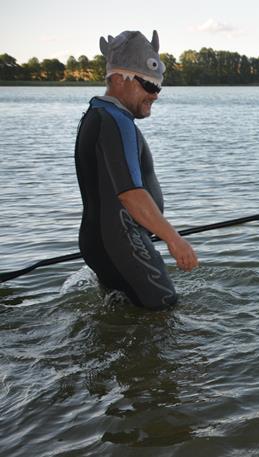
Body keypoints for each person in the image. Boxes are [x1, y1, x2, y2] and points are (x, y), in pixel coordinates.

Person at [74, 30, 198, 310]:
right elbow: (130, 194)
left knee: (122, 313)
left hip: (102, 240)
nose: (155, 95)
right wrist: (175, 240)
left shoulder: (96, 115)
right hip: (121, 241)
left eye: (158, 87)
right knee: (164, 311)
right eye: (148, 85)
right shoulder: (116, 121)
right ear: (119, 79)